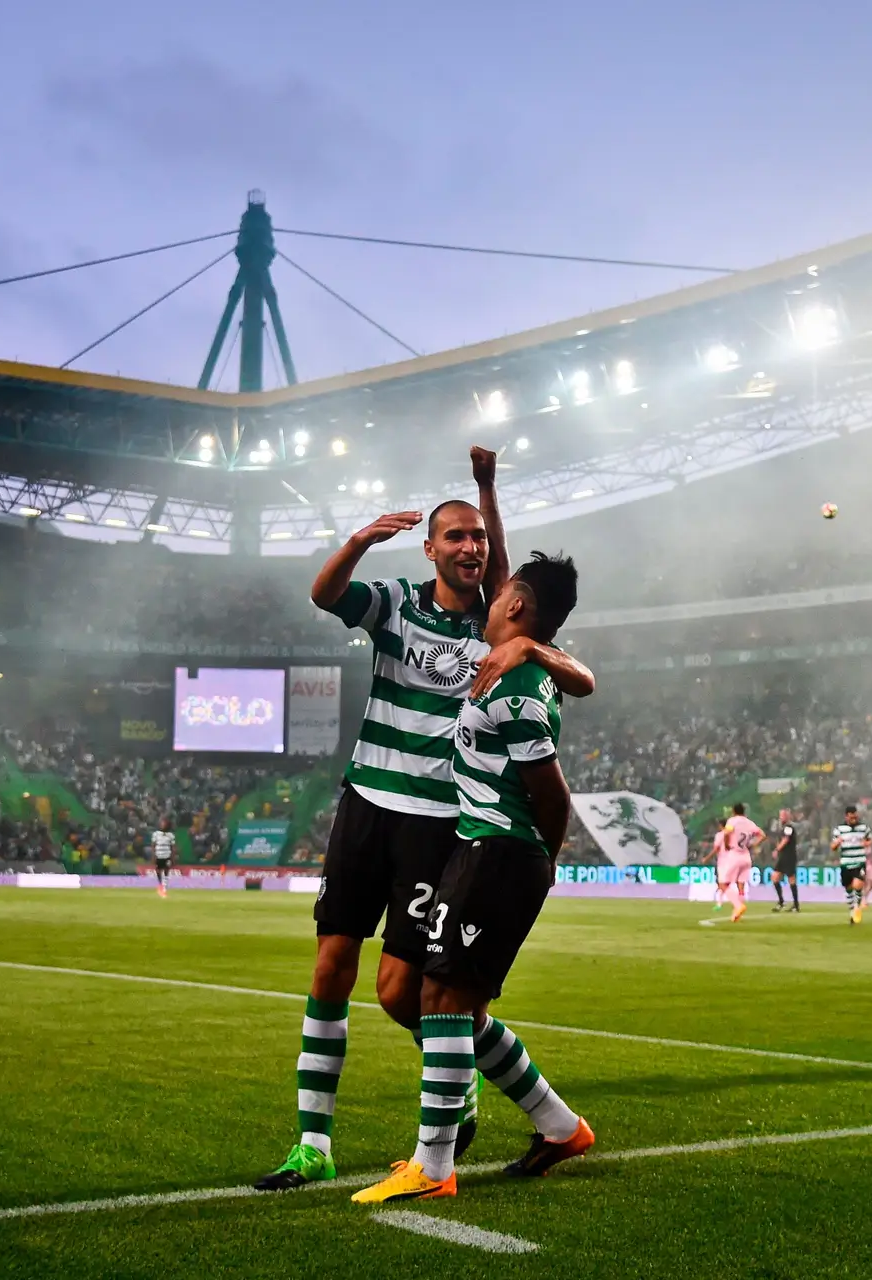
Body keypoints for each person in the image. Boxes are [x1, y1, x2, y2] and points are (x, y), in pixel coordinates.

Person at [255, 448, 597, 1194]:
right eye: (457, 537)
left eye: (479, 538)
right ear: (431, 548)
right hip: (369, 804)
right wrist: (357, 540)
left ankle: (480, 1100)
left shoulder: (499, 624)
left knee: (405, 994)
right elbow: (323, 595)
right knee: (330, 966)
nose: (472, 547)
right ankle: (312, 1142)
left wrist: (487, 491)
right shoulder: (397, 605)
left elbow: (582, 674)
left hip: (439, 824)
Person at [352, 552, 594, 1204]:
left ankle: (432, 1167)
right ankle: (560, 1127)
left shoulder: (517, 691)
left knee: (443, 1002)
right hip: (478, 849)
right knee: (459, 1008)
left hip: (500, 852)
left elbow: (552, 796)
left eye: (499, 594)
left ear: (515, 605)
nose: (487, 600)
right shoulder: (519, 667)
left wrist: (535, 863)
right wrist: (486, 485)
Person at [701, 805, 762, 925]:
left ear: (734, 812)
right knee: (741, 886)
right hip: (746, 856)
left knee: (723, 884)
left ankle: (738, 906)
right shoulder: (749, 823)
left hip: (734, 855)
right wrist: (753, 845)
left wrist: (727, 844)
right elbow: (762, 835)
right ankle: (737, 913)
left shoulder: (732, 821)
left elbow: (726, 833)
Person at [831, 806, 872, 925]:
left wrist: (866, 843)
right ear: (847, 816)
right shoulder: (839, 829)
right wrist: (837, 843)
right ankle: (852, 911)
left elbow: (870, 840)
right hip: (845, 862)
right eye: (851, 816)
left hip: (859, 861)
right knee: (848, 888)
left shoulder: (864, 828)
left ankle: (857, 908)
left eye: (855, 816)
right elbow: (833, 847)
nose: (854, 818)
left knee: (858, 884)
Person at [769, 808, 799, 912]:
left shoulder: (789, 827)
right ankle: (781, 902)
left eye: (783, 815)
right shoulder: (782, 827)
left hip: (789, 856)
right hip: (783, 856)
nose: (781, 817)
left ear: (788, 816)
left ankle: (796, 905)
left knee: (791, 879)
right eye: (780, 815)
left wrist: (776, 850)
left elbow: (785, 840)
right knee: (775, 877)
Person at [150, 817, 176, 899]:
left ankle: (164, 888)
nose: (163, 825)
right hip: (158, 855)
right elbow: (153, 845)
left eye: (164, 823)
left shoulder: (171, 835)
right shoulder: (156, 834)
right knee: (158, 870)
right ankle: (160, 884)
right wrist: (154, 855)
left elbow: (172, 847)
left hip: (167, 855)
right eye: (162, 823)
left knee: (166, 870)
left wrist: (172, 857)